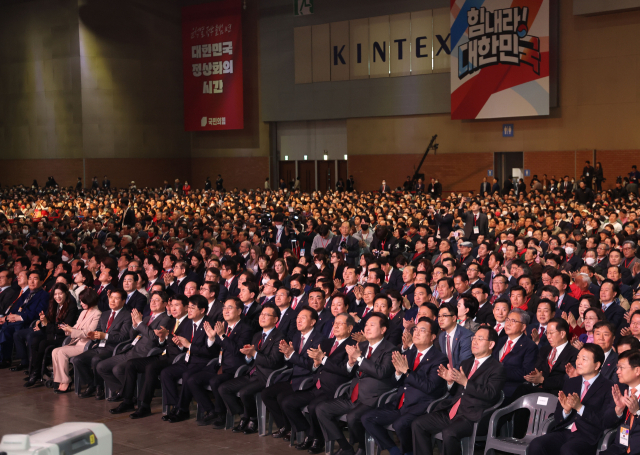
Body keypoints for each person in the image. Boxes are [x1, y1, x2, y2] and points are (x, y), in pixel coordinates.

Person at [411, 326, 506, 455]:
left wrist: (466, 382)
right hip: (452, 411)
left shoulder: (496, 368)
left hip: (472, 416)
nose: (475, 342)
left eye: (480, 338)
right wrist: (450, 382)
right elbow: (457, 391)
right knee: (418, 424)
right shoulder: (466, 363)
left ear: (491, 344)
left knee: (449, 433)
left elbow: (491, 394)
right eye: (473, 338)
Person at [362, 318, 448, 455]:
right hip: (401, 403)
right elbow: (395, 383)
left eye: (422, 330)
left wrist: (407, 372)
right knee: (367, 418)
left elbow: (430, 387)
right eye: (416, 329)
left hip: (421, 406)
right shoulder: (409, 353)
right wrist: (397, 373)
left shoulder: (439, 359)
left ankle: (408, 452)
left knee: (400, 424)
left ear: (432, 337)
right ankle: (394, 450)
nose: (417, 333)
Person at [315, 313, 398, 455]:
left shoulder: (390, 349)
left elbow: (381, 372)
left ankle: (363, 447)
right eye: (366, 325)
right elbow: (351, 370)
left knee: (352, 417)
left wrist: (359, 358)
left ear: (383, 330)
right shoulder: (362, 345)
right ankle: (345, 446)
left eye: (372, 325)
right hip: (353, 394)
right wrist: (351, 362)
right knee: (321, 409)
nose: (367, 328)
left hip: (373, 397)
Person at [280, 313, 357, 452]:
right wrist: (316, 364)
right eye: (335, 323)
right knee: (287, 402)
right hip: (316, 385)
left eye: (341, 324)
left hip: (334, 389)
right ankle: (311, 433)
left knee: (314, 407)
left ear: (350, 328)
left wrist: (324, 359)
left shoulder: (352, 346)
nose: (336, 326)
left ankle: (317, 439)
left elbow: (347, 371)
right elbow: (315, 365)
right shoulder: (326, 343)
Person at [109, 294, 193, 417]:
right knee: (131, 364)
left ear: (186, 308)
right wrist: (162, 338)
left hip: (175, 358)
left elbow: (187, 346)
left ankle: (145, 405)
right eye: (172, 305)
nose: (173, 308)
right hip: (163, 354)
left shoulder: (189, 323)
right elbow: (162, 343)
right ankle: (128, 401)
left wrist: (180, 344)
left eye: (177, 305)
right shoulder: (172, 321)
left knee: (151, 367)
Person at [528, 344, 617, 455]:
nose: (578, 362)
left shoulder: (608, 387)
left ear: (597, 365)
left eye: (584, 359)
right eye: (578, 357)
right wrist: (566, 411)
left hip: (587, 435)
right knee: (536, 444)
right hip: (564, 431)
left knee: (568, 450)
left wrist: (580, 408)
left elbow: (604, 421)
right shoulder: (571, 382)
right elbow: (558, 416)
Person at [218, 302, 284, 434]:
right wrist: (248, 356)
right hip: (252, 373)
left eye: (267, 315)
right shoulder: (257, 335)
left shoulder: (279, 337)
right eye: (261, 314)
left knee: (244, 392)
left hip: (266, 376)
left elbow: (272, 362)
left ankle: (253, 419)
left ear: (276, 319)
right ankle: (244, 415)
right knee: (223, 388)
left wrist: (254, 354)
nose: (262, 317)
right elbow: (250, 360)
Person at [96, 291, 171, 399]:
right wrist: (135, 325)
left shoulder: (166, 319)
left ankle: (131, 395)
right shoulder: (146, 318)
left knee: (118, 369)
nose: (153, 302)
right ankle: (122, 391)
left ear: (165, 304)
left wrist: (140, 324)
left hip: (145, 354)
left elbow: (155, 338)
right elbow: (132, 337)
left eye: (157, 300)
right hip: (131, 350)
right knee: (101, 366)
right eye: (152, 300)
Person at [160, 295, 219, 423]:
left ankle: (183, 410)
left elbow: (210, 352)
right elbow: (186, 345)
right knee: (166, 373)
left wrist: (189, 345)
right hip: (188, 360)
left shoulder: (209, 324)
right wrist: (181, 345)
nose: (189, 310)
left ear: (202, 310)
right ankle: (176, 406)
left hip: (204, 363)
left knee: (187, 375)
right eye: (189, 307)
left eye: (193, 308)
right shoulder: (188, 323)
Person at [72, 289, 133, 400]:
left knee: (96, 359)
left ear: (123, 301)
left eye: (116, 298)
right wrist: (92, 335)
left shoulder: (127, 315)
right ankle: (91, 384)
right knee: (77, 360)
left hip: (113, 348)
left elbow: (124, 337)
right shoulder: (105, 314)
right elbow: (99, 330)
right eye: (111, 298)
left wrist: (104, 336)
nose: (112, 301)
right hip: (99, 346)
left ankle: (99, 387)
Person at [25, 283, 80, 387]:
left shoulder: (72, 307)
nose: (57, 297)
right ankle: (34, 371)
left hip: (63, 338)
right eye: (55, 294)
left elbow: (63, 328)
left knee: (42, 344)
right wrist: (41, 322)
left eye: (60, 294)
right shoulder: (53, 305)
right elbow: (46, 322)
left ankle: (36, 373)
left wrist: (46, 324)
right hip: (51, 334)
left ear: (66, 293)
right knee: (34, 340)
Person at [50, 288, 101, 393]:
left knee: (61, 352)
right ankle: (60, 380)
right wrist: (68, 329)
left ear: (90, 300)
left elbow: (89, 333)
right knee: (55, 351)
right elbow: (76, 327)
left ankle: (66, 382)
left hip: (86, 345)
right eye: (80, 300)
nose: (81, 303)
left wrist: (71, 330)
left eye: (83, 301)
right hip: (76, 342)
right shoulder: (83, 312)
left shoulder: (97, 313)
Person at [492, 308, 538, 399]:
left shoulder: (530, 346)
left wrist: (499, 371)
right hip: (490, 384)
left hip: (509, 389)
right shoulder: (499, 341)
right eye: (507, 320)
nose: (508, 323)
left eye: (513, 321)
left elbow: (526, 372)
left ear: (523, 327)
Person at [437, 303, 472, 369]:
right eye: (439, 316)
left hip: (461, 375)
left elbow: (464, 363)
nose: (440, 319)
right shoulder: (441, 336)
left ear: (453, 318)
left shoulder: (466, 336)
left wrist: (451, 377)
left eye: (444, 316)